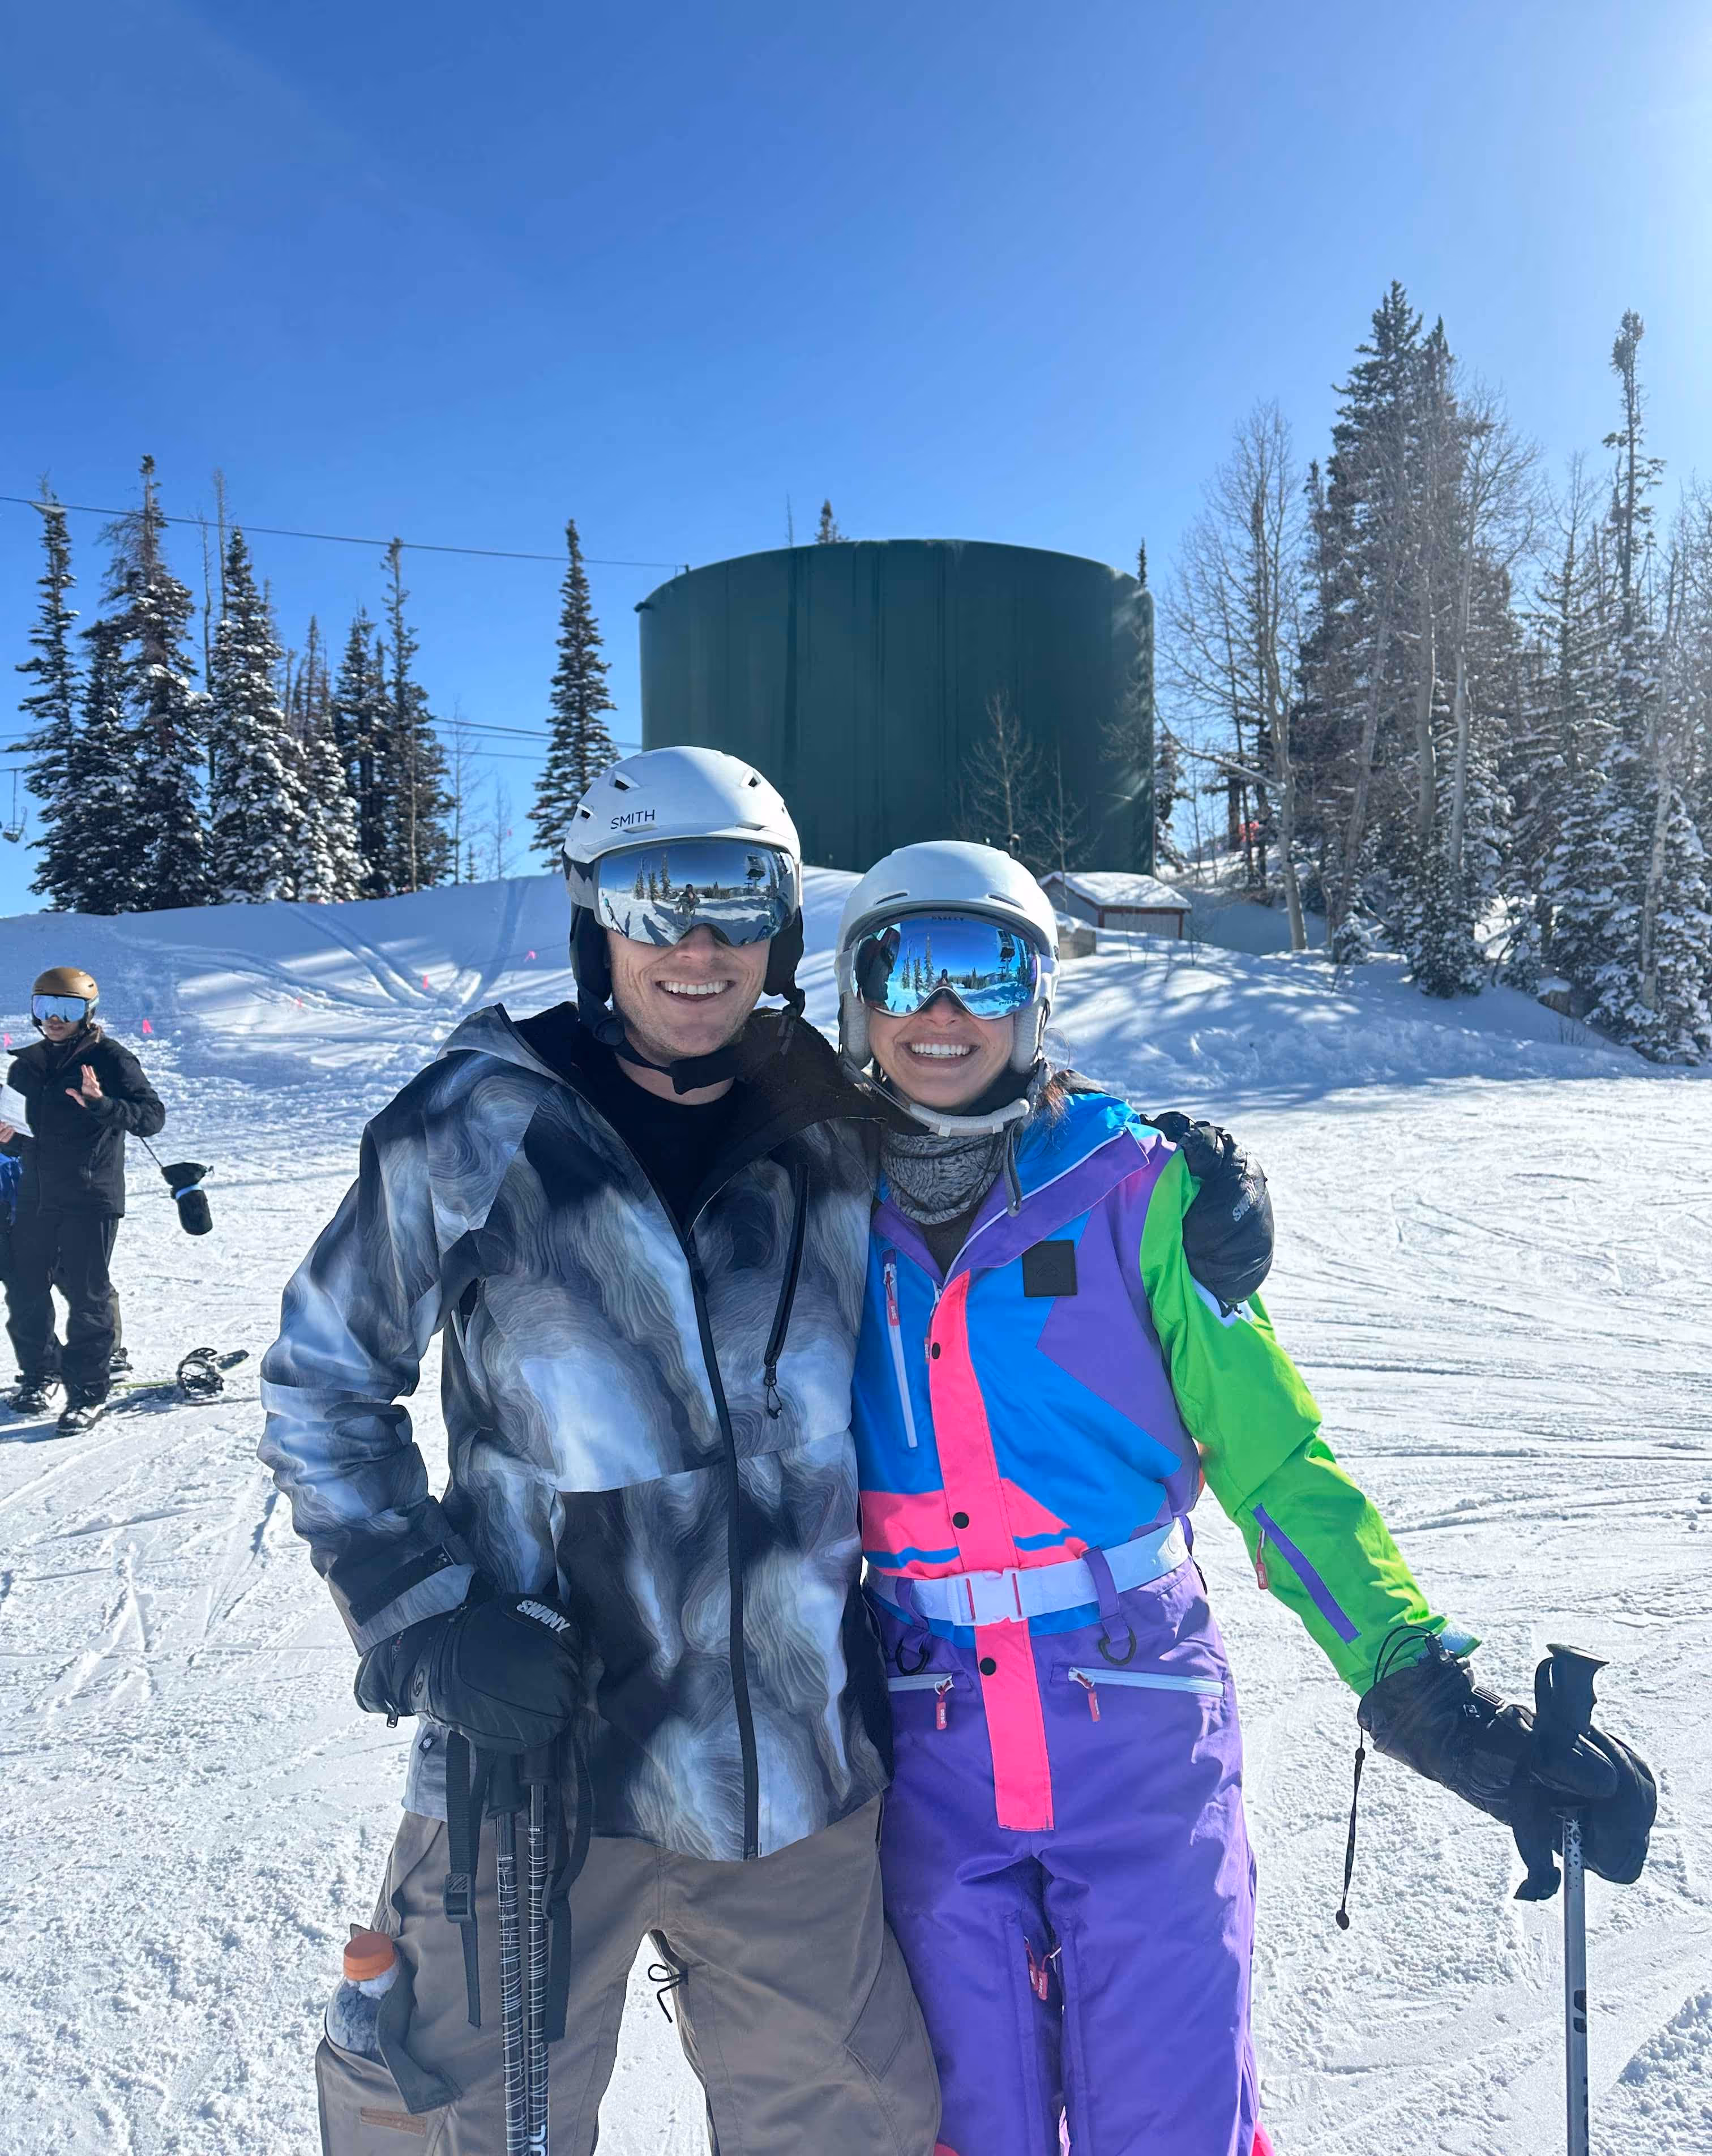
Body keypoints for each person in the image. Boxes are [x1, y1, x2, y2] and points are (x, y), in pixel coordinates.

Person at [258, 747, 1275, 2156]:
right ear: (589, 914)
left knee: (859, 2126)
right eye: (649, 896)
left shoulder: (825, 1125)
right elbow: (322, 1382)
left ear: (784, 929)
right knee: (454, 2127)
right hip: (536, 1757)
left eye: (735, 899)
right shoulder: (475, 1125)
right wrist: (424, 1614)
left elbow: (987, 1108)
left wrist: (1185, 1161)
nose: (694, 943)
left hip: (790, 1779)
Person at [835, 840, 1658, 2156]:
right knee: (960, 2122)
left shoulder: (1138, 1192)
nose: (946, 1013)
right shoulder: (814, 1204)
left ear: (1036, 997)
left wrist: (1421, 1687)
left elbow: (1275, 1466)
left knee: (1170, 2116)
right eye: (908, 970)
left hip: (1135, 1721)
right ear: (857, 999)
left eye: (988, 971)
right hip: (928, 1740)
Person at [2, 966, 163, 1433]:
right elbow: (33, 1139)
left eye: (66, 1009)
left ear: (86, 1012)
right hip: (35, 1191)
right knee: (27, 1288)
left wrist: (101, 1104)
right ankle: (40, 1375)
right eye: (44, 1008)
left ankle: (88, 1393)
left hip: (91, 1193)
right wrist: (9, 1139)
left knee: (87, 1295)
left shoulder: (112, 1059)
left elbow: (152, 1117)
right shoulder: (26, 1065)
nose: (54, 1019)